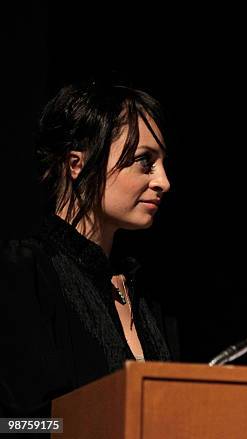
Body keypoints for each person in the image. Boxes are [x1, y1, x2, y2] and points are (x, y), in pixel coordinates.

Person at [0, 81, 176, 417]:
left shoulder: (147, 292)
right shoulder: (25, 273)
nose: (163, 181)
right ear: (77, 163)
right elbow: (13, 426)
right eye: (144, 160)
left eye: (162, 162)